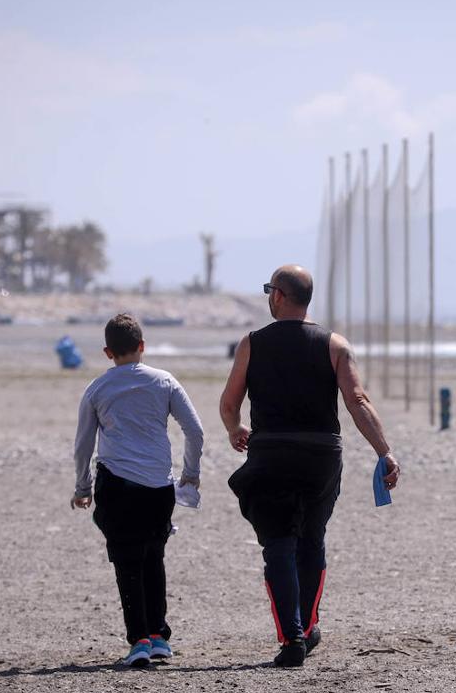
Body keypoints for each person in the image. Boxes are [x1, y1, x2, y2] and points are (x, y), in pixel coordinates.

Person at [221, 264, 400, 668]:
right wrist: (383, 451)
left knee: (279, 545)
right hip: (321, 456)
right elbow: (358, 401)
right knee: (312, 539)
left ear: (280, 296)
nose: (269, 296)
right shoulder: (335, 344)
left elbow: (229, 403)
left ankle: (292, 638)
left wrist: (235, 429)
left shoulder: (252, 343)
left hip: (271, 454)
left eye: (270, 289)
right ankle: (308, 623)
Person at [72, 313, 205, 667]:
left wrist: (82, 486)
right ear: (142, 347)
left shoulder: (98, 388)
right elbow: (195, 432)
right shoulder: (165, 382)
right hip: (159, 487)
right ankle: (159, 635)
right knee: (153, 556)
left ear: (107, 352)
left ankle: (140, 640)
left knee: (127, 561)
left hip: (116, 485)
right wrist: (190, 475)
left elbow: (83, 444)